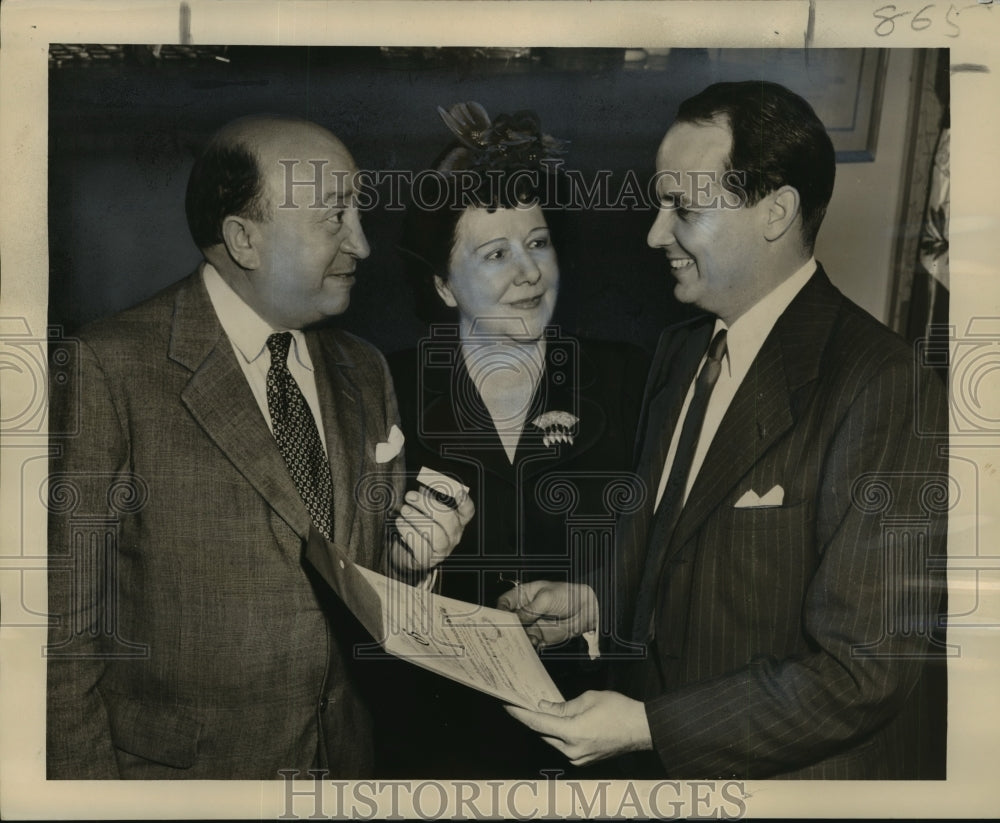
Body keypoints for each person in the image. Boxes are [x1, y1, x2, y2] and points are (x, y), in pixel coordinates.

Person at [502, 81, 949, 779]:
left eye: (682, 207)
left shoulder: (885, 386)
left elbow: (862, 670)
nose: (654, 233)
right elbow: (667, 543)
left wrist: (648, 725)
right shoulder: (680, 351)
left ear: (776, 212)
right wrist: (593, 603)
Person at [46, 114, 472, 780]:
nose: (361, 243)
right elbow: (59, 642)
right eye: (334, 218)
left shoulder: (364, 370)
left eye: (358, 213)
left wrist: (417, 566)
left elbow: (370, 586)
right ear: (244, 239)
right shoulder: (107, 369)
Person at [375, 102, 649, 777]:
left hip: (598, 752)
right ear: (442, 284)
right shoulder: (384, 390)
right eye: (494, 253)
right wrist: (412, 570)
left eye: (539, 242)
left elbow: (678, 557)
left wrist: (595, 602)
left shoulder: (629, 380)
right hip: (438, 753)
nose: (529, 272)